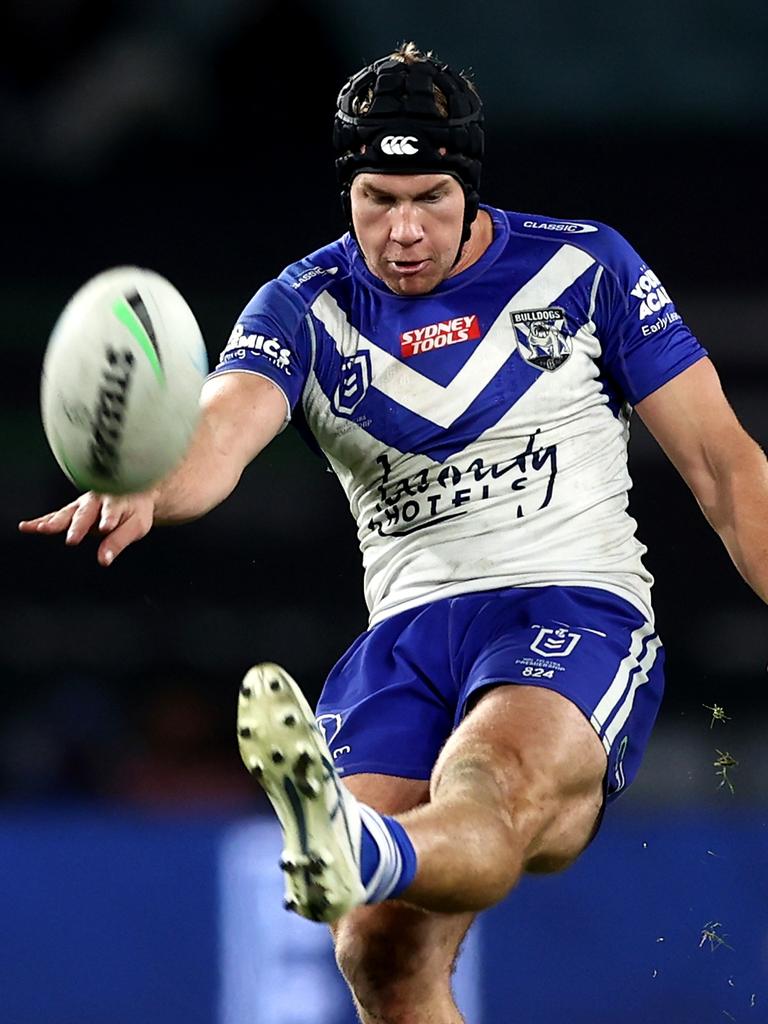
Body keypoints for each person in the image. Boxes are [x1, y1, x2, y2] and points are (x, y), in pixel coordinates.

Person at [20, 41, 768, 1024]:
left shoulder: (584, 268)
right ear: (346, 191)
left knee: (489, 787)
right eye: (379, 198)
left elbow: (723, 465)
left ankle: (365, 844)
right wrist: (152, 480)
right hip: (408, 641)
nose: (404, 230)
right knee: (381, 949)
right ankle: (365, 850)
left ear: (468, 186)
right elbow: (226, 425)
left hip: (568, 606)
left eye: (429, 198)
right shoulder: (306, 305)